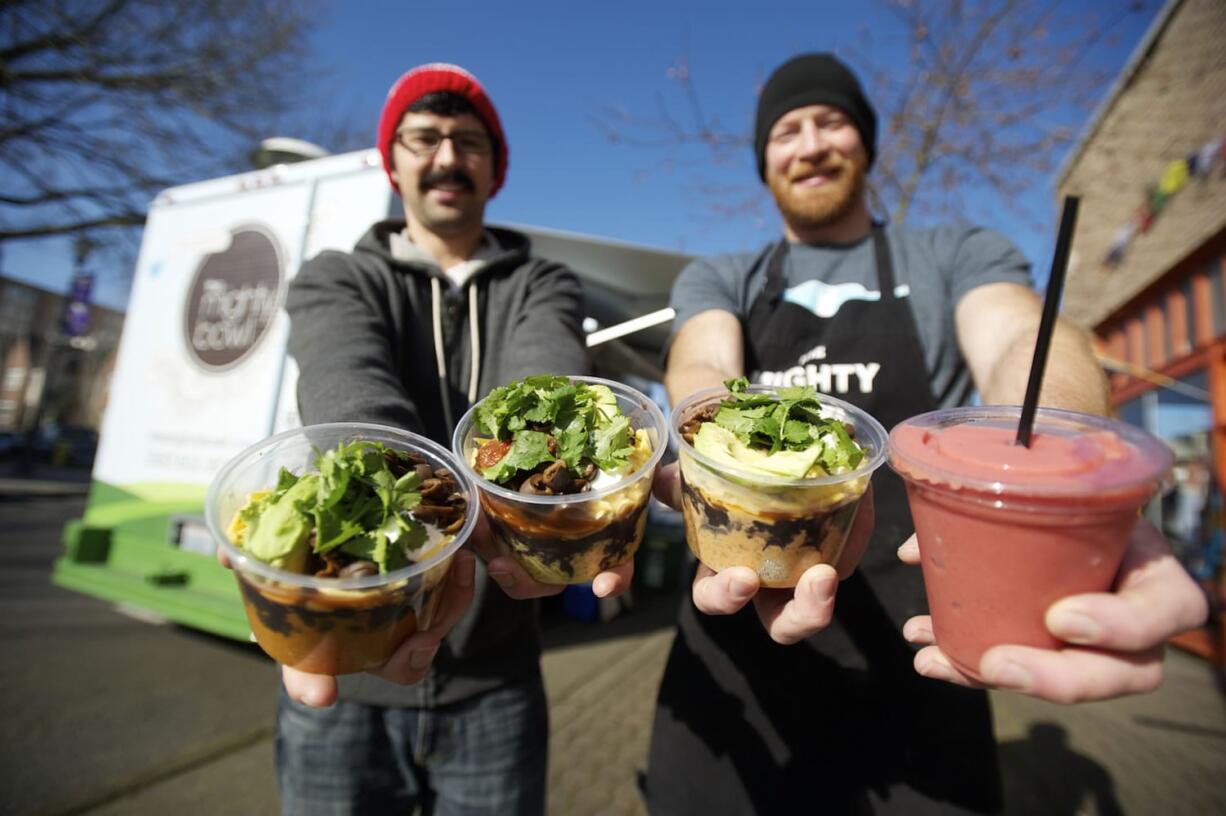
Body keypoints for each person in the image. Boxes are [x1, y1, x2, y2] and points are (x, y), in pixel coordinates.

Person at [643, 53, 1209, 814]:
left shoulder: (952, 255)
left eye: (831, 121)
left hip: (923, 657)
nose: (809, 143)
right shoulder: (727, 274)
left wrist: (1074, 482)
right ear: (764, 159)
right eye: (787, 130)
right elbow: (705, 361)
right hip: (735, 654)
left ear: (867, 144)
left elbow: (1021, 340)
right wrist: (721, 456)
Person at [271, 63, 626, 815]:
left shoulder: (543, 283)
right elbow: (348, 386)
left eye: (469, 142)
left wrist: (548, 492)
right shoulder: (335, 277)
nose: (445, 158)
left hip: (495, 682)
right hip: (347, 664)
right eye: (424, 137)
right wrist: (419, 520)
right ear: (392, 159)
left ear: (495, 170)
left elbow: (545, 389)